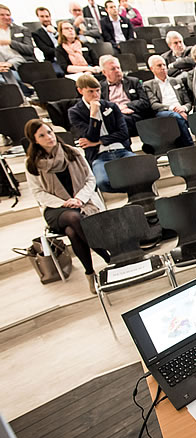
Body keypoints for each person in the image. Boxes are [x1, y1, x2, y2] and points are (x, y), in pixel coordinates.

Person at [24, 120, 111, 294]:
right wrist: (64, 203)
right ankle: (108, 256)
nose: (49, 137)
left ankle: (90, 274)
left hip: (82, 202)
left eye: (49, 132)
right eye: (42, 135)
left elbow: (90, 179)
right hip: (56, 209)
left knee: (72, 231)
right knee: (73, 217)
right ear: (34, 140)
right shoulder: (33, 163)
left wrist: (78, 199)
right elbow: (38, 193)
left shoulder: (73, 153)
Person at [68, 74, 135, 192]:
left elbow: (124, 133)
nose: (95, 95)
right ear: (80, 91)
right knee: (102, 182)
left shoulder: (111, 106)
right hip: (99, 156)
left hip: (121, 150)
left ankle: (134, 192)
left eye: (97, 91)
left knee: (144, 169)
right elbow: (90, 136)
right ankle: (132, 190)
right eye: (90, 91)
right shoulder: (75, 112)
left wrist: (99, 141)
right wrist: (93, 115)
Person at [143, 55, 195, 149]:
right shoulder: (148, 85)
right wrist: (174, 109)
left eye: (164, 65)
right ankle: (190, 145)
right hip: (164, 112)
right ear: (152, 68)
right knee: (175, 116)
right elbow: (154, 104)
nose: (163, 68)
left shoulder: (176, 81)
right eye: (159, 65)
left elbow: (188, 102)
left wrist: (183, 108)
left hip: (182, 111)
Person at [99, 55, 152, 137]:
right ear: (104, 72)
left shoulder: (133, 82)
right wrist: (117, 109)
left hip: (133, 114)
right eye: (113, 69)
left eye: (118, 68)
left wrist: (126, 106)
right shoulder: (100, 87)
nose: (117, 71)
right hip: (113, 116)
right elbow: (101, 106)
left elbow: (144, 102)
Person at [32, 7, 62, 75]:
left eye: (47, 16)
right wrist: (62, 52)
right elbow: (46, 50)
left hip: (67, 59)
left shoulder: (59, 30)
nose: (45, 19)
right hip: (53, 60)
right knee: (59, 73)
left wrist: (55, 33)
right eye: (42, 16)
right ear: (38, 17)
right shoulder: (37, 34)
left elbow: (66, 43)